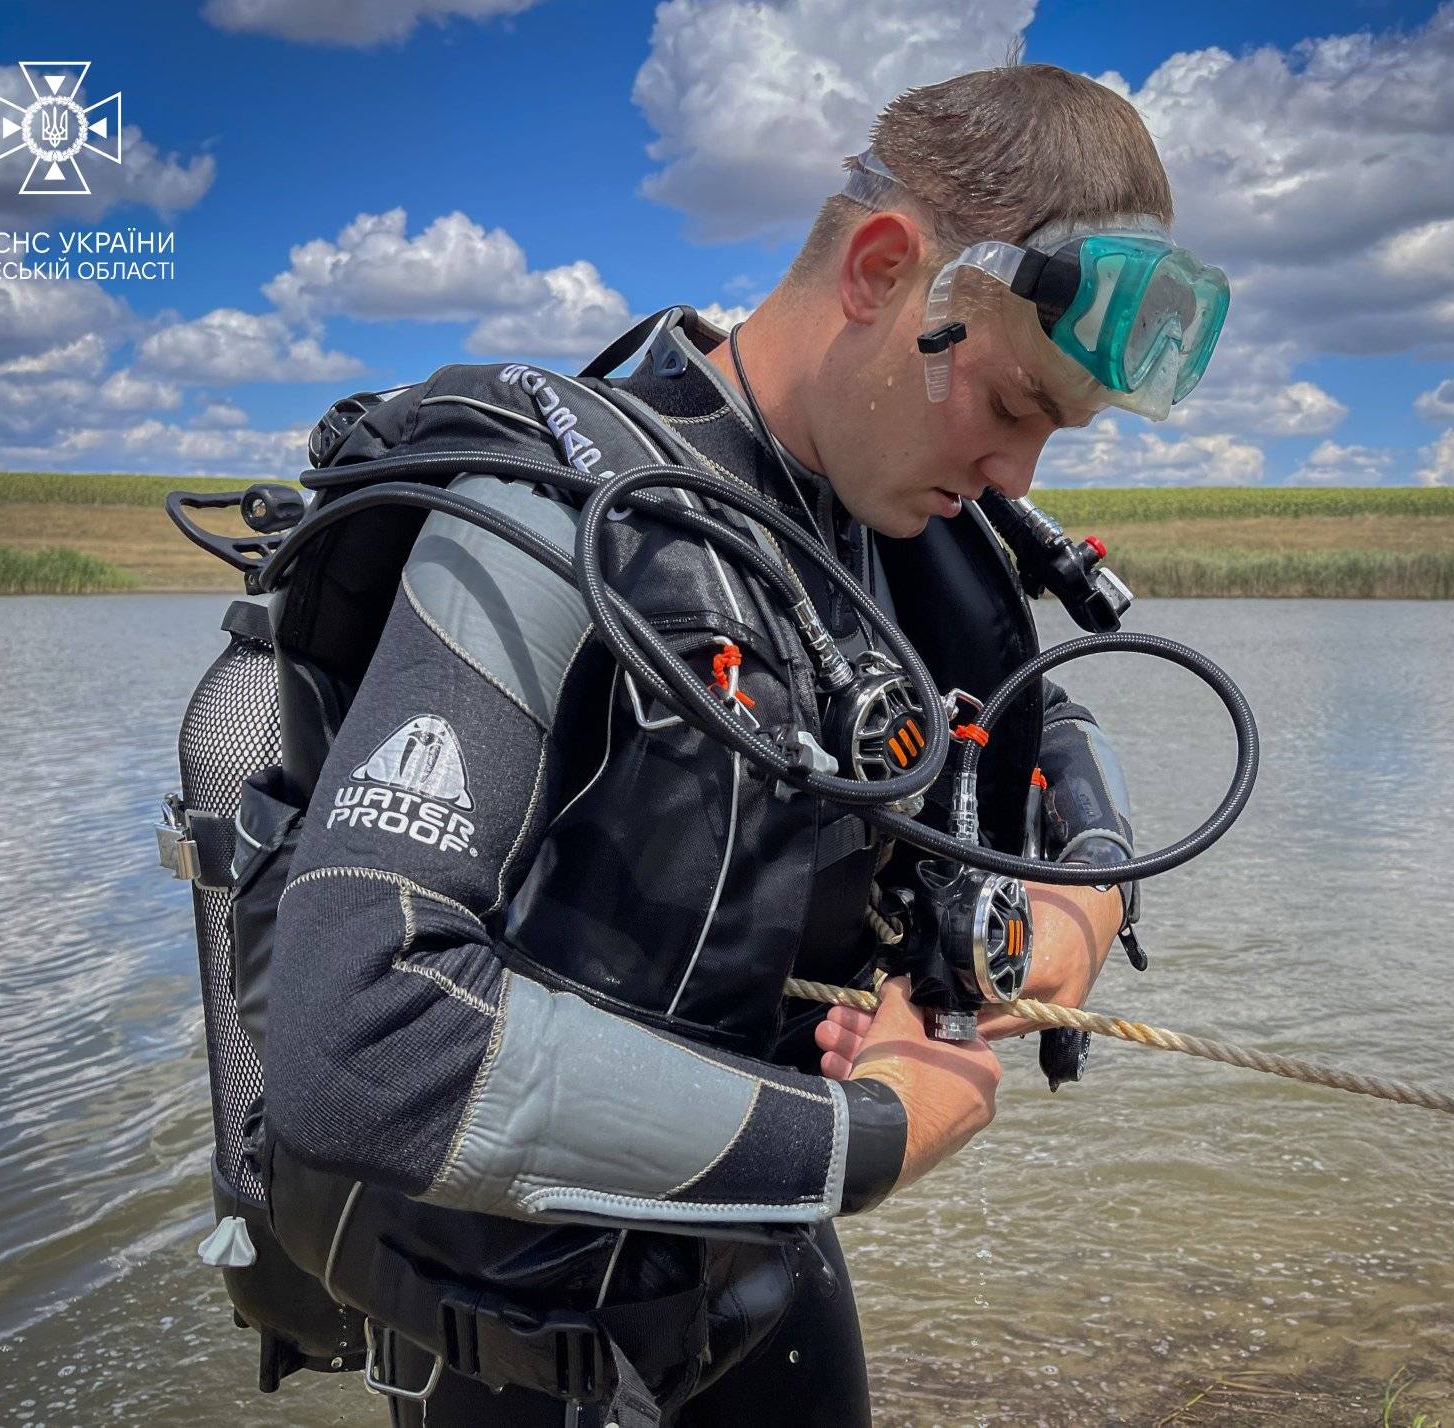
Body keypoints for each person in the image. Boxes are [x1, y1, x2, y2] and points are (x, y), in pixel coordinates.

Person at [261, 60, 1221, 1425]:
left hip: (766, 1289)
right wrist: (870, 1140)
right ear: (886, 270)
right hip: (524, 1362)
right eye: (1012, 409)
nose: (1020, 478)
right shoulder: (546, 516)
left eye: (1053, 435)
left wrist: (1076, 904)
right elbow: (356, 1043)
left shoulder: (897, 526)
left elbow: (1047, 733)